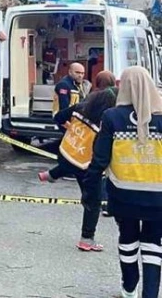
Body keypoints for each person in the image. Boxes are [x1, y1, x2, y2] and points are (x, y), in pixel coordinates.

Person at [86, 66, 162, 298]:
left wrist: (91, 193)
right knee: (154, 243)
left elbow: (99, 159)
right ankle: (150, 293)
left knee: (127, 238)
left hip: (123, 193)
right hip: (158, 196)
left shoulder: (112, 117)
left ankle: (129, 288)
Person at [38, 70, 118, 251]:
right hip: (86, 163)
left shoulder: (83, 105)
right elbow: (105, 150)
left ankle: (50, 174)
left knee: (69, 168)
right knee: (93, 202)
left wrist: (72, 128)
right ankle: (86, 239)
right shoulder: (108, 118)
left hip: (68, 152)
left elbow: (58, 117)